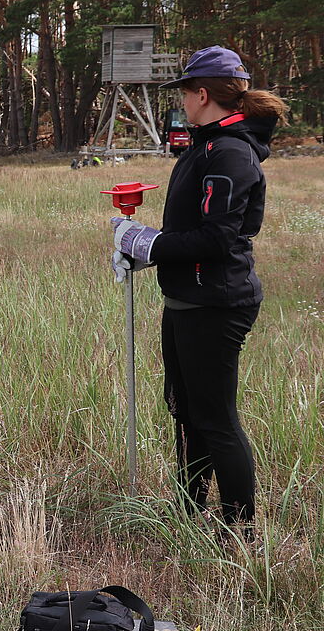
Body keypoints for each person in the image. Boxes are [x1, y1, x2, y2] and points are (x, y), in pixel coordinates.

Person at [111, 45, 287, 535]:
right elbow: (190, 228)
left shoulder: (231, 152)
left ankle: (239, 528)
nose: (182, 103)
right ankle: (191, 509)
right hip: (187, 299)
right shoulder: (206, 145)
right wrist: (143, 249)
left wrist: (150, 244)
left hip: (216, 303)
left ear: (202, 94)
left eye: (185, 93)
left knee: (215, 417)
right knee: (185, 409)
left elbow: (215, 240)